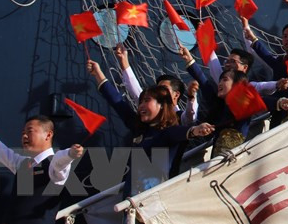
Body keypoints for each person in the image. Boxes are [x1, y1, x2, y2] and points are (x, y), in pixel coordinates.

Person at [86, 60, 213, 195]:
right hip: (131, 201)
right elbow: (117, 102)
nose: (141, 106)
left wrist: (196, 129)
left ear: (162, 105)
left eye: (147, 101)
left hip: (158, 201)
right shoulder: (140, 128)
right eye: (140, 102)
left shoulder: (170, 129)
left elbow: (182, 130)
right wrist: (98, 73)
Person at [0, 105, 82, 224]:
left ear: (48, 135)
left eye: (30, 131)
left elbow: (61, 160)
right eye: (22, 133)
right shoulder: (22, 163)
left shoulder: (53, 165)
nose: (24, 136)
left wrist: (70, 153)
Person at [113, 44, 197, 125]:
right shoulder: (150, 109)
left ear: (176, 95)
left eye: (164, 88)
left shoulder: (179, 118)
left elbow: (190, 116)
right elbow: (135, 90)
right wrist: (123, 60)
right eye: (158, 88)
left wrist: (191, 98)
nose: (158, 92)